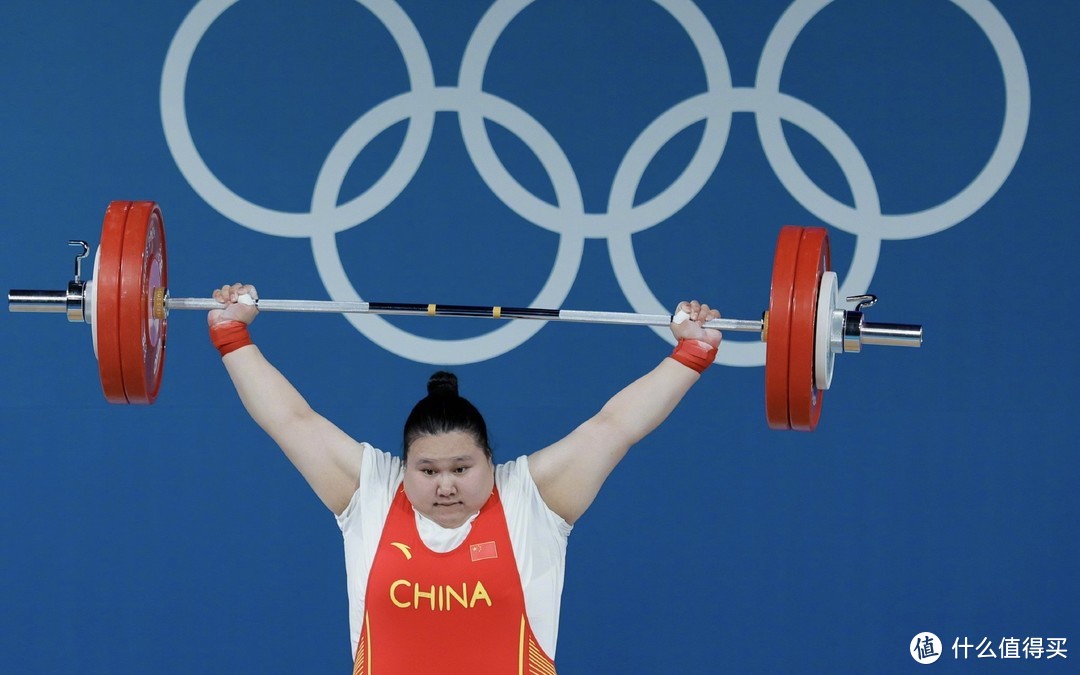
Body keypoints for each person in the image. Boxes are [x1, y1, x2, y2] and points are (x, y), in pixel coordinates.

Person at [207, 283, 722, 674]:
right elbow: (291, 421)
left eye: (461, 468)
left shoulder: (531, 500)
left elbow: (614, 428)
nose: (445, 485)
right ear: (404, 466)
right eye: (427, 470)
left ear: (490, 461)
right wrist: (233, 335)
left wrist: (691, 354)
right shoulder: (372, 494)